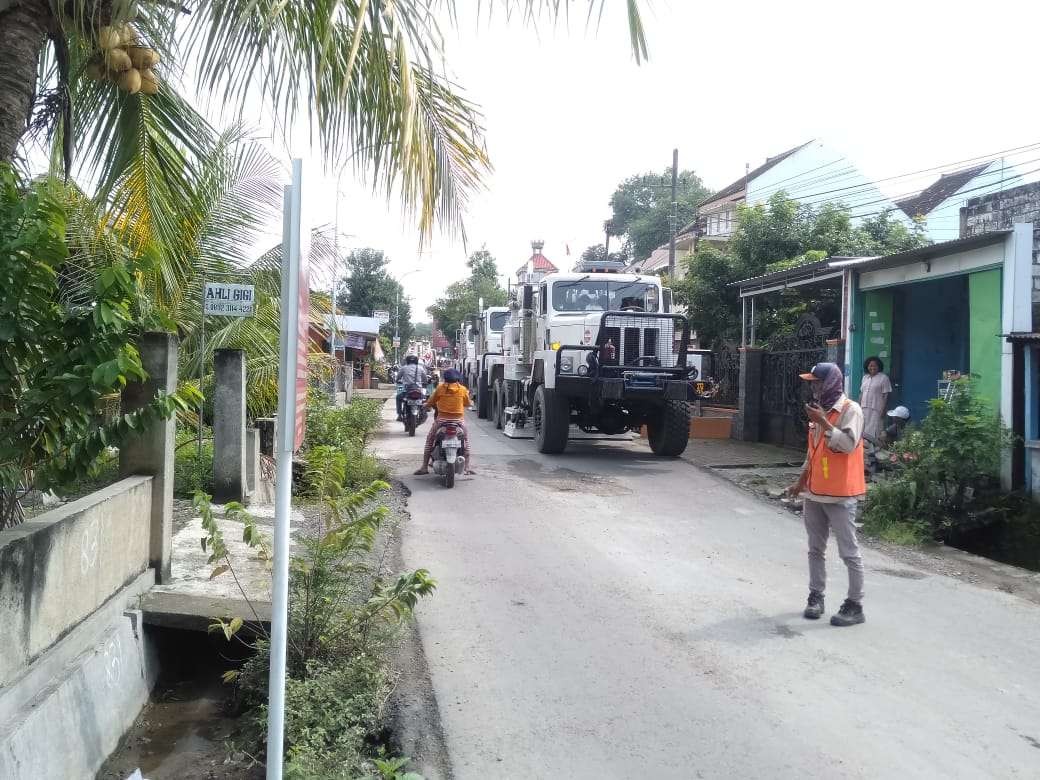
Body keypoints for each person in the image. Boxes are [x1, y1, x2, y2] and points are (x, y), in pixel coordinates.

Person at [786, 363, 867, 627]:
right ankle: (815, 596)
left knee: (849, 553)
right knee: (815, 549)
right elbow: (814, 451)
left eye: (817, 382)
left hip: (841, 494)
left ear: (831, 382)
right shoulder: (819, 411)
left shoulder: (849, 410)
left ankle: (855, 604)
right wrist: (800, 482)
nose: (813, 387)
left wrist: (823, 422)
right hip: (815, 492)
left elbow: (847, 445)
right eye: (811, 383)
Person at [414, 368, 475, 476]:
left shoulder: (440, 388)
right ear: (457, 379)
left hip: (442, 420)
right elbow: (468, 403)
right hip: (458, 421)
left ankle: (424, 467)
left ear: (445, 378)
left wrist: (426, 405)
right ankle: (467, 467)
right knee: (465, 441)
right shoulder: (462, 389)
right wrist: (469, 403)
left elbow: (431, 401)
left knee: (430, 439)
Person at [859, 356, 892, 441]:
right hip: (864, 408)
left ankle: (875, 449)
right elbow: (862, 393)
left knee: (875, 429)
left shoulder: (884, 378)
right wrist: (858, 406)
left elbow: (886, 396)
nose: (872, 367)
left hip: (877, 409)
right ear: (867, 367)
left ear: (879, 367)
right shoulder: (865, 377)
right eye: (870, 366)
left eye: (875, 366)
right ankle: (865, 448)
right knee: (863, 427)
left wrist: (883, 410)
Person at [396, 355, 428, 421]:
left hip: (407, 391)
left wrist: (398, 381)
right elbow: (425, 379)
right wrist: (424, 382)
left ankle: (399, 415)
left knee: (398, 398)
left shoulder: (403, 368)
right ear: (416, 361)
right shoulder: (420, 368)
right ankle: (423, 413)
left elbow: (398, 378)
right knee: (424, 399)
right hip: (418, 390)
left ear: (407, 361)